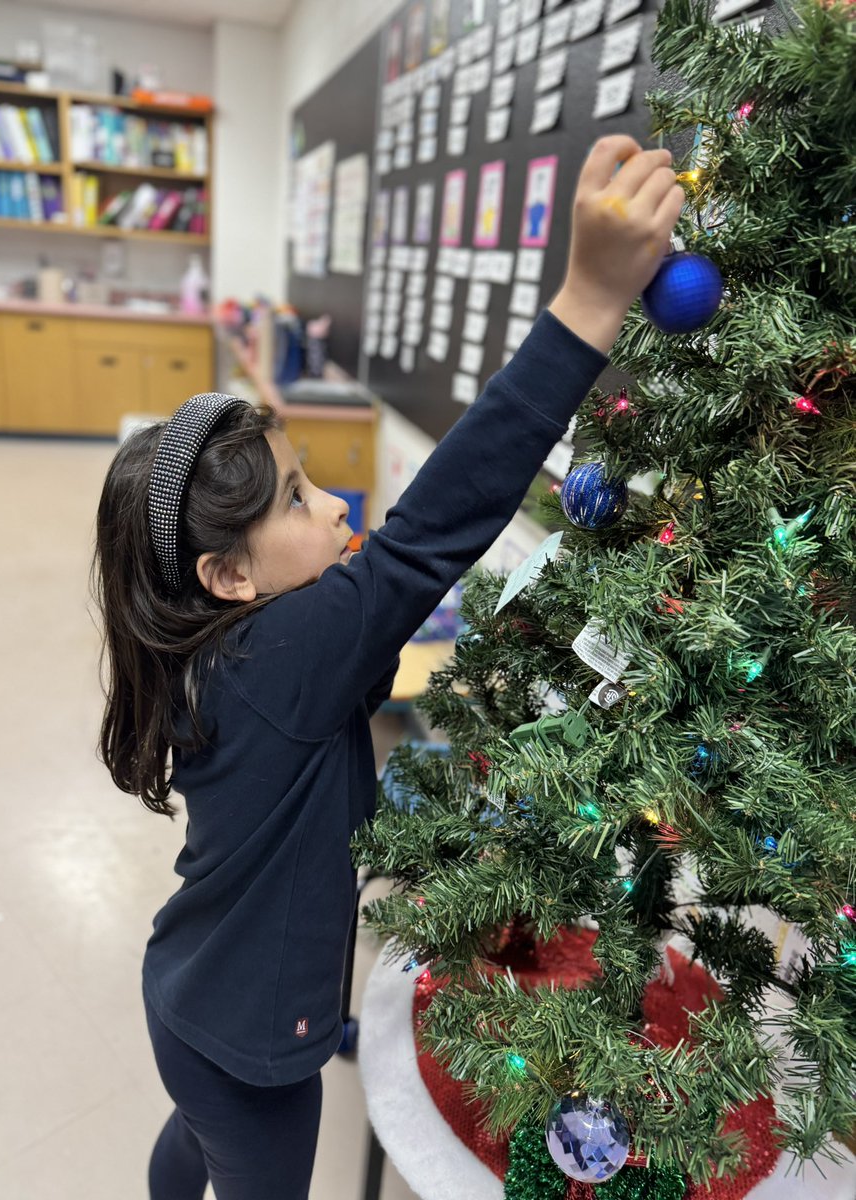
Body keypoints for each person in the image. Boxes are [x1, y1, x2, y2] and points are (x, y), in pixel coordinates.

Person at [91, 134, 683, 1200]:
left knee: (193, 1141)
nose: (336, 508)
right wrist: (590, 304)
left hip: (188, 991)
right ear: (227, 576)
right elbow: (427, 535)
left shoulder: (210, 646)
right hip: (256, 1044)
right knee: (250, 1166)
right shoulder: (283, 652)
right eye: (299, 501)